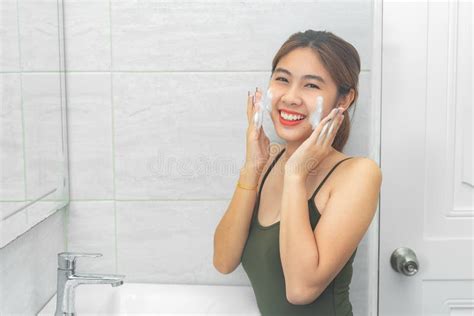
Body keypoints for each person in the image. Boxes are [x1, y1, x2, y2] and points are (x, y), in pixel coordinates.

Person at [213, 30, 382, 315]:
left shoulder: (358, 174)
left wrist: (295, 175)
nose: (290, 97)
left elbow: (300, 290)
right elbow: (223, 261)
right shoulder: (267, 161)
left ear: (344, 100)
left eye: (311, 85)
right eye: (282, 79)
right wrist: (252, 168)